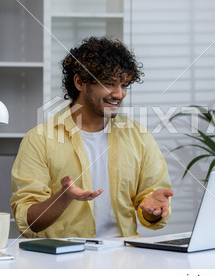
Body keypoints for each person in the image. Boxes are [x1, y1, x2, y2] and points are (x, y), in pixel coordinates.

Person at [10, 37, 173, 238]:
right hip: (64, 260)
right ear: (79, 82)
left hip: (124, 256)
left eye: (124, 85)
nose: (119, 94)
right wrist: (63, 197)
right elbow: (27, 222)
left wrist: (153, 212)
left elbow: (150, 204)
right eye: (108, 83)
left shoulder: (139, 136)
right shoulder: (39, 139)